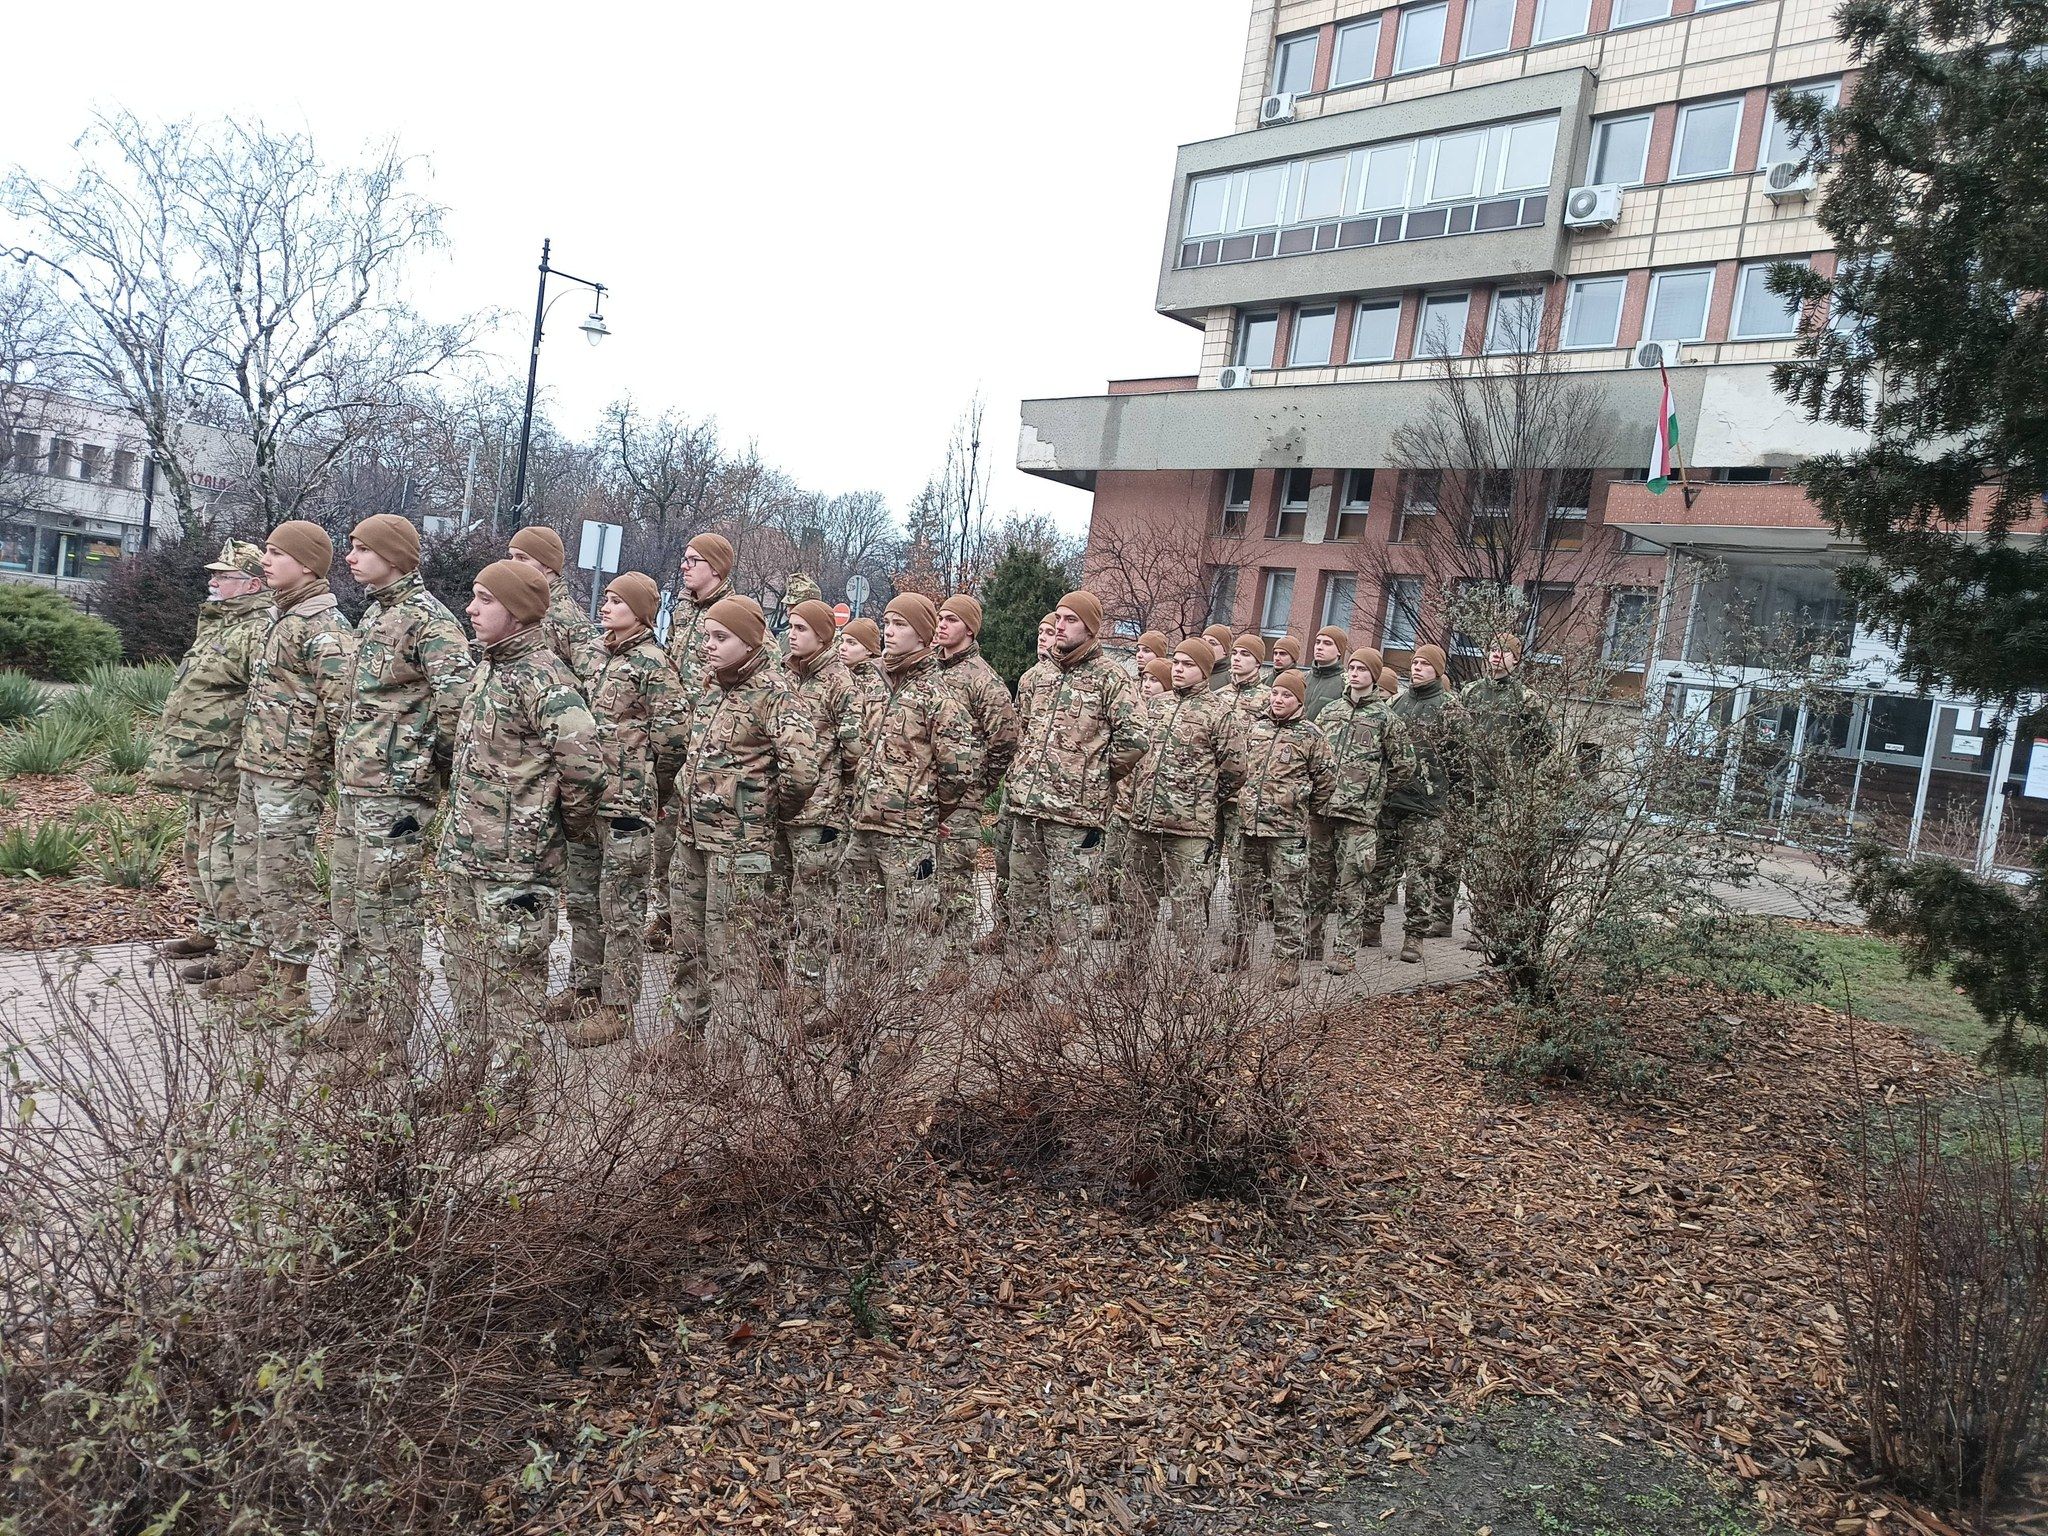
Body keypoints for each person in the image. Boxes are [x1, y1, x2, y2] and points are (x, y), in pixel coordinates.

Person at [436, 560, 605, 1096]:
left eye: (485, 599)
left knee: (512, 980)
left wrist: (551, 827)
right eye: (474, 596)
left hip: (517, 863)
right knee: (465, 969)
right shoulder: (490, 667)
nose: (471, 608)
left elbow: (585, 768)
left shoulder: (545, 678)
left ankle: (509, 1100)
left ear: (517, 611)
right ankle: (470, 1077)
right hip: (468, 853)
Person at [313, 513, 475, 1057]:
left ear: (394, 555)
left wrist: (436, 775)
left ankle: (392, 1031)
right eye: (350, 548)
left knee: (389, 907)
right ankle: (354, 1008)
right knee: (349, 903)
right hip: (360, 786)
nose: (351, 558)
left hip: (399, 792)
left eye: (361, 549)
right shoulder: (377, 616)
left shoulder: (430, 622)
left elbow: (457, 706)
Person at [205, 521, 354, 1015]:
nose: (265, 560)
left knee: (282, 876)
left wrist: (328, 773)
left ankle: (292, 982)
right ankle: (264, 960)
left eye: (276, 552)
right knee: (250, 869)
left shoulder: (323, 628)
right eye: (265, 551)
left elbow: (340, 711)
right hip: (259, 765)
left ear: (308, 564)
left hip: (292, 775)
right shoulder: (281, 616)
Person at [670, 594, 821, 1032]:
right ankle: (687, 1033)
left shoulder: (774, 694)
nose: (709, 645)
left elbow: (803, 769)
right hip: (692, 836)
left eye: (721, 637)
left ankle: (734, 1051)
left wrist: (765, 814)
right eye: (706, 636)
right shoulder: (711, 685)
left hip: (741, 847)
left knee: (733, 950)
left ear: (751, 642)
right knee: (689, 942)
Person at [556, 571, 690, 1046]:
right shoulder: (595, 655)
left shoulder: (653, 664)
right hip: (587, 803)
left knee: (622, 909)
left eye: (617, 601)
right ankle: (585, 988)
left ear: (641, 612)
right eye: (606, 598)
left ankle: (618, 1007)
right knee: (583, 902)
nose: (606, 606)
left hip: (628, 807)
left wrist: (649, 782)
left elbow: (674, 740)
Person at [147, 540, 271, 983]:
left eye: (224, 576)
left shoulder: (258, 629)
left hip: (225, 764)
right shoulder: (223, 624)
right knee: (196, 850)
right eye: (213, 574)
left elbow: (265, 702)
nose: (213, 581)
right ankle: (212, 930)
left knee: (222, 856)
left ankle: (237, 947)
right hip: (200, 762)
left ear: (253, 584)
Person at [1007, 590, 1145, 948]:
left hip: (1075, 814)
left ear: (1091, 627)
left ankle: (1066, 997)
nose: (1060, 626)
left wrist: (1097, 774)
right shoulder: (1035, 677)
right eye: (1058, 618)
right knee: (1025, 905)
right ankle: (1022, 985)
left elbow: (1135, 739)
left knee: (1070, 909)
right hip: (1028, 807)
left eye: (1071, 620)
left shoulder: (1111, 678)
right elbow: (1019, 729)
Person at [845, 594, 974, 959]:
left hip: (908, 833)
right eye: (887, 623)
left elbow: (960, 767)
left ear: (922, 634)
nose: (889, 631)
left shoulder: (938, 694)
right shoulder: (871, 683)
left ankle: (906, 1011)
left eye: (900, 624)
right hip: (863, 825)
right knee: (858, 929)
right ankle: (857, 1010)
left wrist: (931, 808)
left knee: (907, 936)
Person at [1123, 640, 1246, 948]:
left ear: (1204, 671)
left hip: (1189, 828)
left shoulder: (1219, 713)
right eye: (1176, 662)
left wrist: (1203, 796)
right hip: (1144, 823)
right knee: (1136, 900)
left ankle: (1184, 980)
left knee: (1186, 906)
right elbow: (1137, 752)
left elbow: (1236, 769)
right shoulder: (1156, 705)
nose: (1178, 669)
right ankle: (1128, 970)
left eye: (1188, 664)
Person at [648, 531, 736, 951]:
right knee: (666, 833)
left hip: (711, 743)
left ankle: (701, 927)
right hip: (675, 737)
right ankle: (667, 916)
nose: (684, 565)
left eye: (693, 560)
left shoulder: (732, 616)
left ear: (716, 569)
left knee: (696, 839)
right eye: (683, 558)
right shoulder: (684, 609)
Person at [1218, 670, 1334, 988]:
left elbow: (1326, 781)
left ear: (1299, 700)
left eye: (1286, 695)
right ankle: (1237, 953)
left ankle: (1287, 964)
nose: (1278, 700)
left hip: (1287, 833)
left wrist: (1300, 808)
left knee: (1287, 900)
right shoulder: (1257, 728)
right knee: (1241, 895)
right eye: (1275, 693)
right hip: (1248, 829)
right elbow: (1240, 771)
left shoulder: (1311, 735)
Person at [781, 595, 865, 995]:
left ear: (823, 635)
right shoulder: (784, 674)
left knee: (812, 901)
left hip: (818, 811)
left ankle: (809, 984)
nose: (791, 635)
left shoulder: (840, 682)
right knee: (775, 893)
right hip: (779, 806)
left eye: (801, 629)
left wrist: (831, 790)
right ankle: (771, 970)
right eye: (790, 626)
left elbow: (855, 751)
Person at [1318, 646, 1418, 971]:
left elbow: (1405, 765)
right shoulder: (1330, 711)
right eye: (1352, 668)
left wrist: (1375, 790)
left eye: (1362, 669)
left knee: (1351, 886)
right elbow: (1314, 756)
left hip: (1359, 818)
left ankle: (1344, 953)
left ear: (1373, 676)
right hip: (1322, 813)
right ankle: (1309, 944)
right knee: (1316, 884)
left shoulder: (1387, 719)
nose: (1355, 673)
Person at [1372, 643, 1469, 963]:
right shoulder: (1397, 701)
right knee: (1378, 870)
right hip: (1390, 802)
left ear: (1438, 670)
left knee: (1420, 873)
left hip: (1427, 807)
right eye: (1414, 663)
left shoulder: (1450, 708)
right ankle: (1369, 927)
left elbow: (1462, 762)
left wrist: (1445, 798)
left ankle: (1414, 937)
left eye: (1425, 664)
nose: (1416, 668)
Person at [935, 594, 1020, 955]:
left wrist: (980, 786)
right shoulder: (930, 669)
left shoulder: (982, 679)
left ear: (969, 629)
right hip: (926, 796)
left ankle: (954, 960)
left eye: (951, 620)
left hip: (962, 802)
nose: (942, 624)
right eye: (940, 617)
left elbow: (1005, 737)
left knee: (954, 882)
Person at [980, 611, 1059, 954]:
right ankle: (1004, 925)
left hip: (1056, 795)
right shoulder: (1029, 679)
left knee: (1047, 872)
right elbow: (1020, 732)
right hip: (1019, 786)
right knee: (1006, 860)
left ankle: (1046, 937)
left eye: (1051, 631)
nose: (1043, 637)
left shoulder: (1072, 679)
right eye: (1040, 631)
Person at [1300, 623, 1352, 960]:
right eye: (1317, 641)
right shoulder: (1306, 680)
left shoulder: (1343, 683)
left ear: (1340, 650)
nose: (1319, 647)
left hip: (1338, 779)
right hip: (1303, 773)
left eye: (1327, 643)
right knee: (1312, 860)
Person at [506, 525, 602, 680]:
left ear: (548, 566)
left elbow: (594, 678)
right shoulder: (519, 606)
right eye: (512, 557)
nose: (512, 564)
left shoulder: (567, 617)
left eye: (522, 558)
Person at [839, 616, 888, 708]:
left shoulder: (879, 682)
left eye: (851, 643)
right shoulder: (836, 675)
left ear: (869, 650)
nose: (842, 647)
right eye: (842, 641)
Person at [1225, 635, 1271, 722]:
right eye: (1234, 653)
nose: (1236, 658)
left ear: (1257, 662)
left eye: (1245, 654)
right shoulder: (1218, 694)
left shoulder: (1269, 698)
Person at [1203, 624, 1234, 692]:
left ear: (1225, 651)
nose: (1206, 646)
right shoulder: (1191, 671)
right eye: (1203, 641)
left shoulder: (1231, 678)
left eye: (1212, 643)